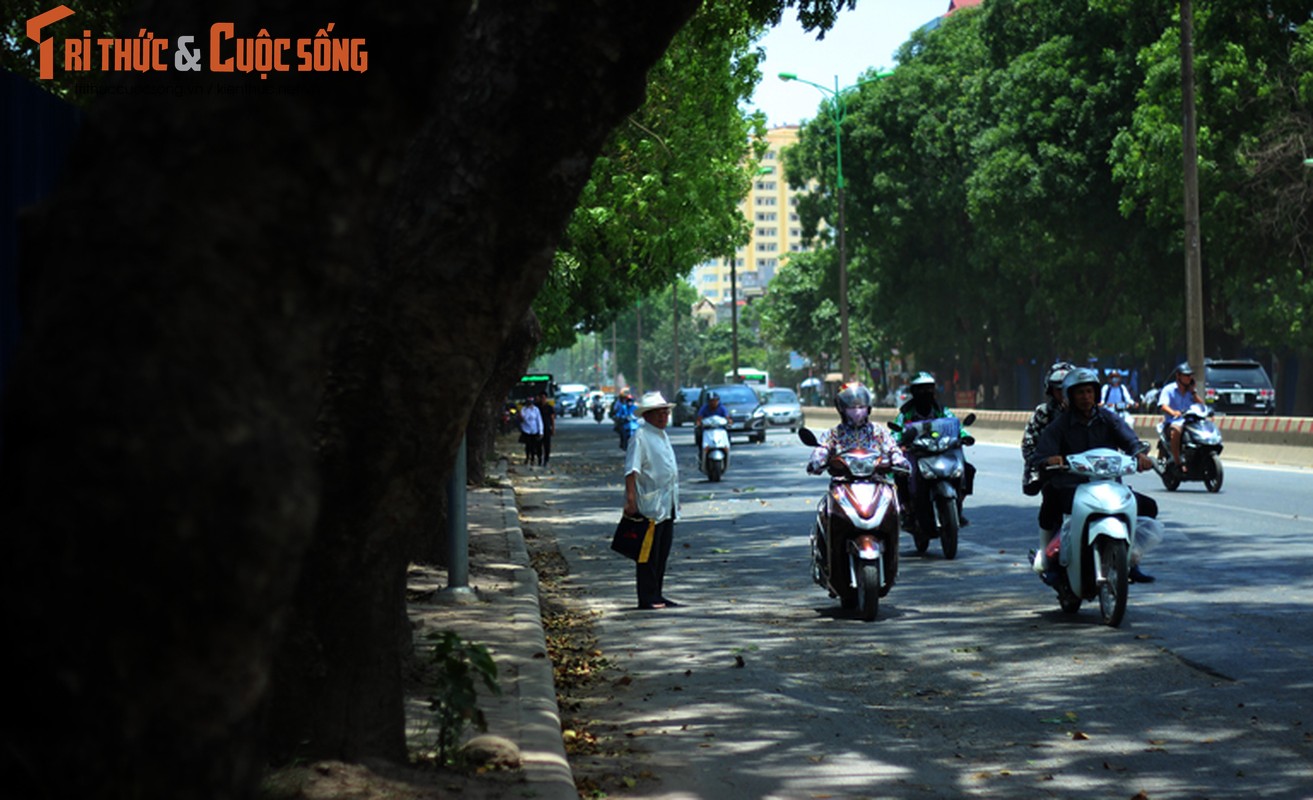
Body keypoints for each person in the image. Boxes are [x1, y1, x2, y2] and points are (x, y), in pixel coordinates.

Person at [1029, 367, 1157, 583]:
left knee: (1148, 506)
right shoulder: (1059, 425)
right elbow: (1041, 453)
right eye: (1080, 393)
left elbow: (1130, 440)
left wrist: (1140, 455)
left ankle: (1131, 559)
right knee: (1050, 502)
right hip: (1071, 486)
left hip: (1108, 484)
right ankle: (1050, 561)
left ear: (1096, 394)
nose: (1086, 397)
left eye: (1089, 392)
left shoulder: (1109, 418)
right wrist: (1050, 459)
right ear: (1070, 395)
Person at [806, 382, 909, 585]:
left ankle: (891, 563)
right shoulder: (833, 434)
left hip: (876, 484)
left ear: (868, 407)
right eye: (851, 405)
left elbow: (893, 449)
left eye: (860, 405)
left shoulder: (878, 432)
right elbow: (821, 450)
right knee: (824, 514)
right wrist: (817, 460)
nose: (857, 410)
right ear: (841, 408)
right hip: (843, 486)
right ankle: (823, 561)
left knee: (894, 512)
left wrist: (899, 461)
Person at [892, 372, 977, 526]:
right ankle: (908, 509)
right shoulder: (906, 413)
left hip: (941, 450)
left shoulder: (941, 410)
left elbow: (955, 424)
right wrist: (898, 441)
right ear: (913, 392)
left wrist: (965, 436)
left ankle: (958, 505)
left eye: (929, 389)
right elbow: (896, 431)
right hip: (916, 452)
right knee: (901, 473)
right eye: (921, 389)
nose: (926, 393)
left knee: (968, 470)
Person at [623, 391, 681, 610]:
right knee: (647, 554)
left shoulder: (662, 435)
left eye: (665, 413)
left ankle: (658, 593)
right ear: (647, 415)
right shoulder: (640, 437)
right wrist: (631, 500)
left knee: (662, 552)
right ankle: (646, 597)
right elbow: (632, 470)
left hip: (667, 503)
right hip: (649, 505)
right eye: (659, 413)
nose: (663, 417)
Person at [1021, 361, 1074, 496]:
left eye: (1068, 389)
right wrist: (1045, 461)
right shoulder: (1044, 413)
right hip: (1055, 472)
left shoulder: (1095, 414)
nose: (1063, 394)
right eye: (1059, 390)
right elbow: (1028, 446)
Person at [1159, 362, 1204, 472]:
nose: (1189, 378)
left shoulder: (1191, 392)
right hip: (1175, 421)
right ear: (1179, 376)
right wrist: (1173, 412)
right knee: (1176, 431)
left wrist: (1193, 392)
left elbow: (1201, 405)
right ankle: (1177, 461)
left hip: (1190, 422)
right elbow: (1163, 405)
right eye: (1186, 375)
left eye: (1190, 376)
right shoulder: (1169, 389)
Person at [517, 398, 543, 465]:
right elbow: (524, 419)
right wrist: (528, 411)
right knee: (528, 445)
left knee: (535, 445)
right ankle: (528, 457)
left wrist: (540, 431)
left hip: (534, 430)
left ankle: (534, 458)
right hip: (526, 430)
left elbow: (539, 420)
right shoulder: (524, 409)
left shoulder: (536, 409)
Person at [535, 391, 556, 467]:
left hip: (547, 428)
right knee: (538, 445)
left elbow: (552, 418)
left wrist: (553, 428)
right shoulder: (536, 407)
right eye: (542, 398)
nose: (543, 399)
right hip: (538, 429)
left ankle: (546, 460)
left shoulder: (549, 408)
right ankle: (539, 458)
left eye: (544, 398)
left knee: (547, 445)